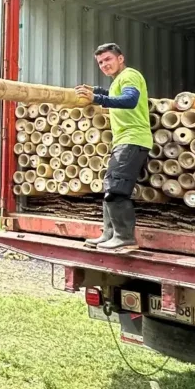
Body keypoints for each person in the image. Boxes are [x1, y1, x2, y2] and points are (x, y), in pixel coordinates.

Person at [75, 42, 151, 252]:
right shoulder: (120, 80)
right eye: (100, 62)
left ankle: (125, 237)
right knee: (110, 186)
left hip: (133, 138)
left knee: (116, 189)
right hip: (124, 140)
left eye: (108, 59)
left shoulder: (129, 75)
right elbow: (116, 94)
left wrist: (97, 98)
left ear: (120, 58)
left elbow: (129, 100)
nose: (104, 64)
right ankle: (109, 234)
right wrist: (98, 91)